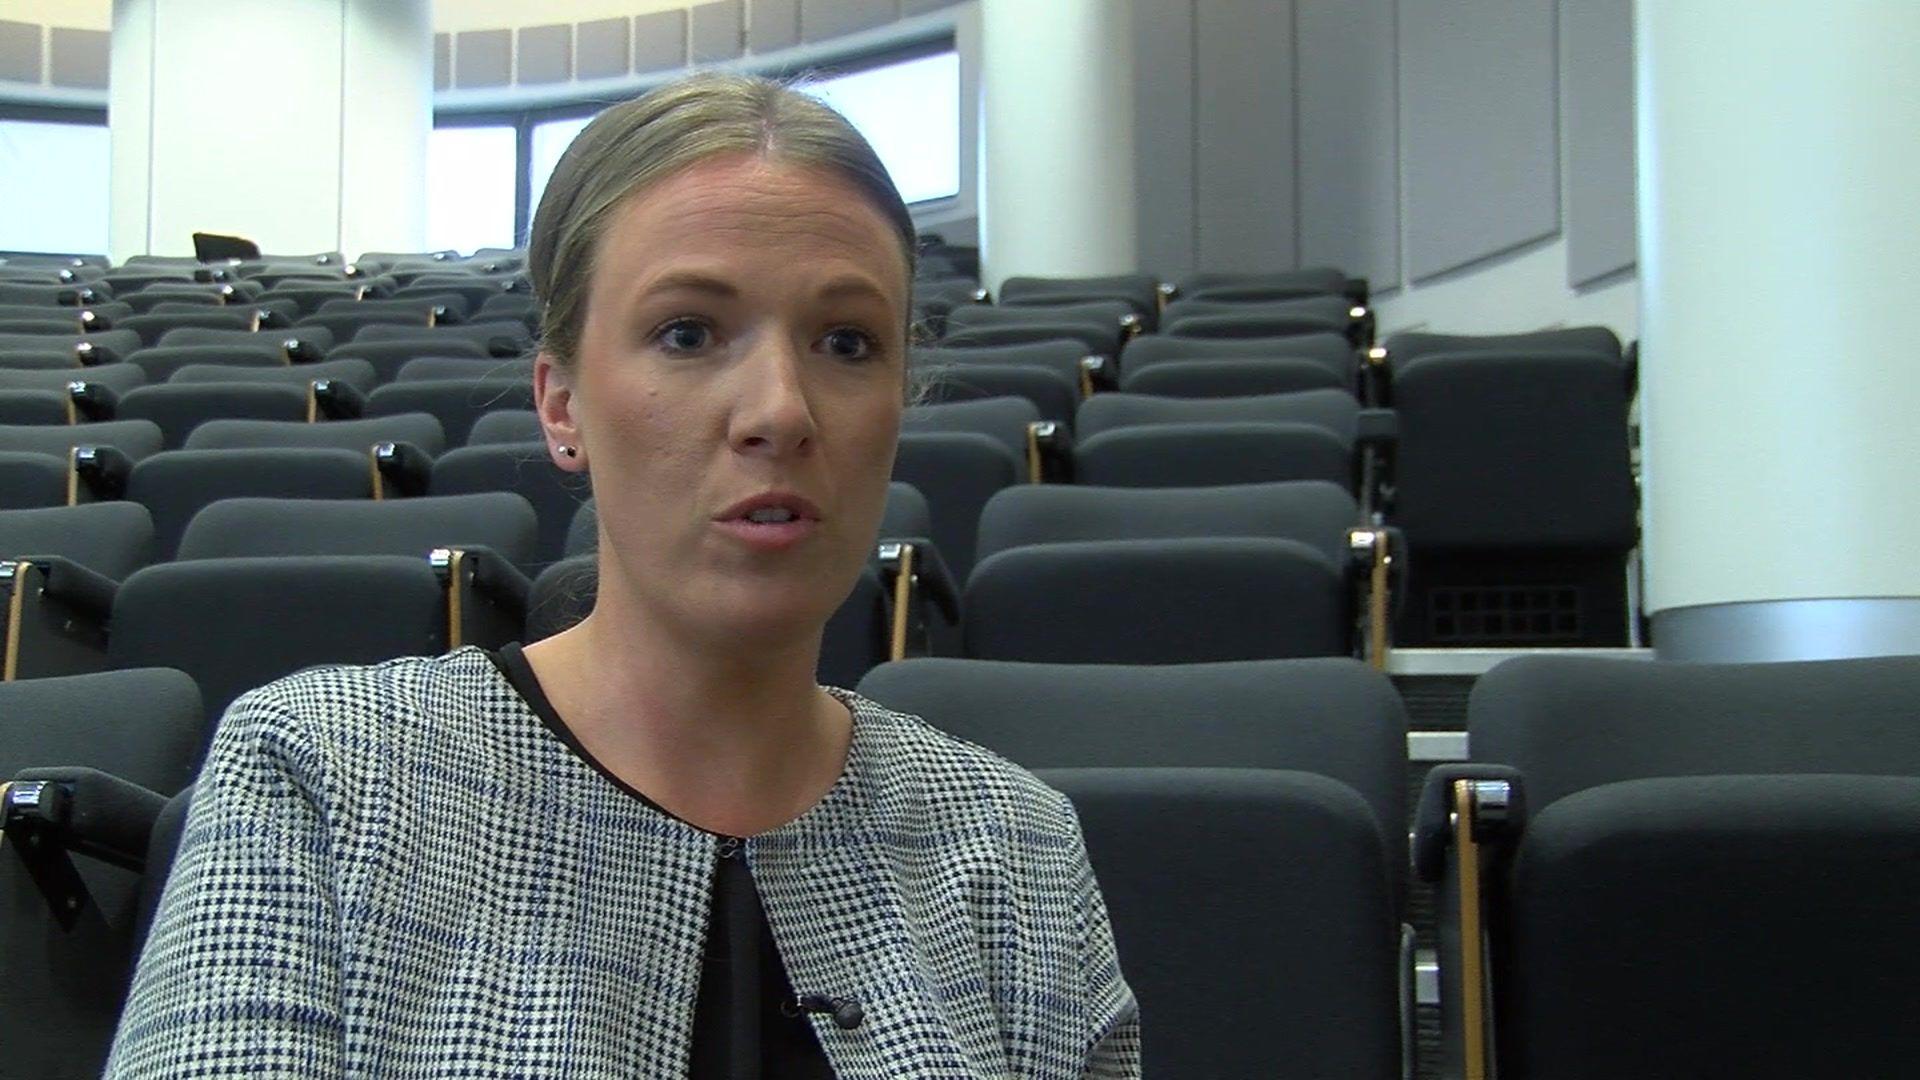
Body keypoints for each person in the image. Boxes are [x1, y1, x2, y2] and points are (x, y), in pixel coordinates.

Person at [107, 73, 1140, 1077]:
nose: (781, 408)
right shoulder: (325, 779)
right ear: (561, 405)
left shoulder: (1015, 852)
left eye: (847, 341)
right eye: (687, 333)